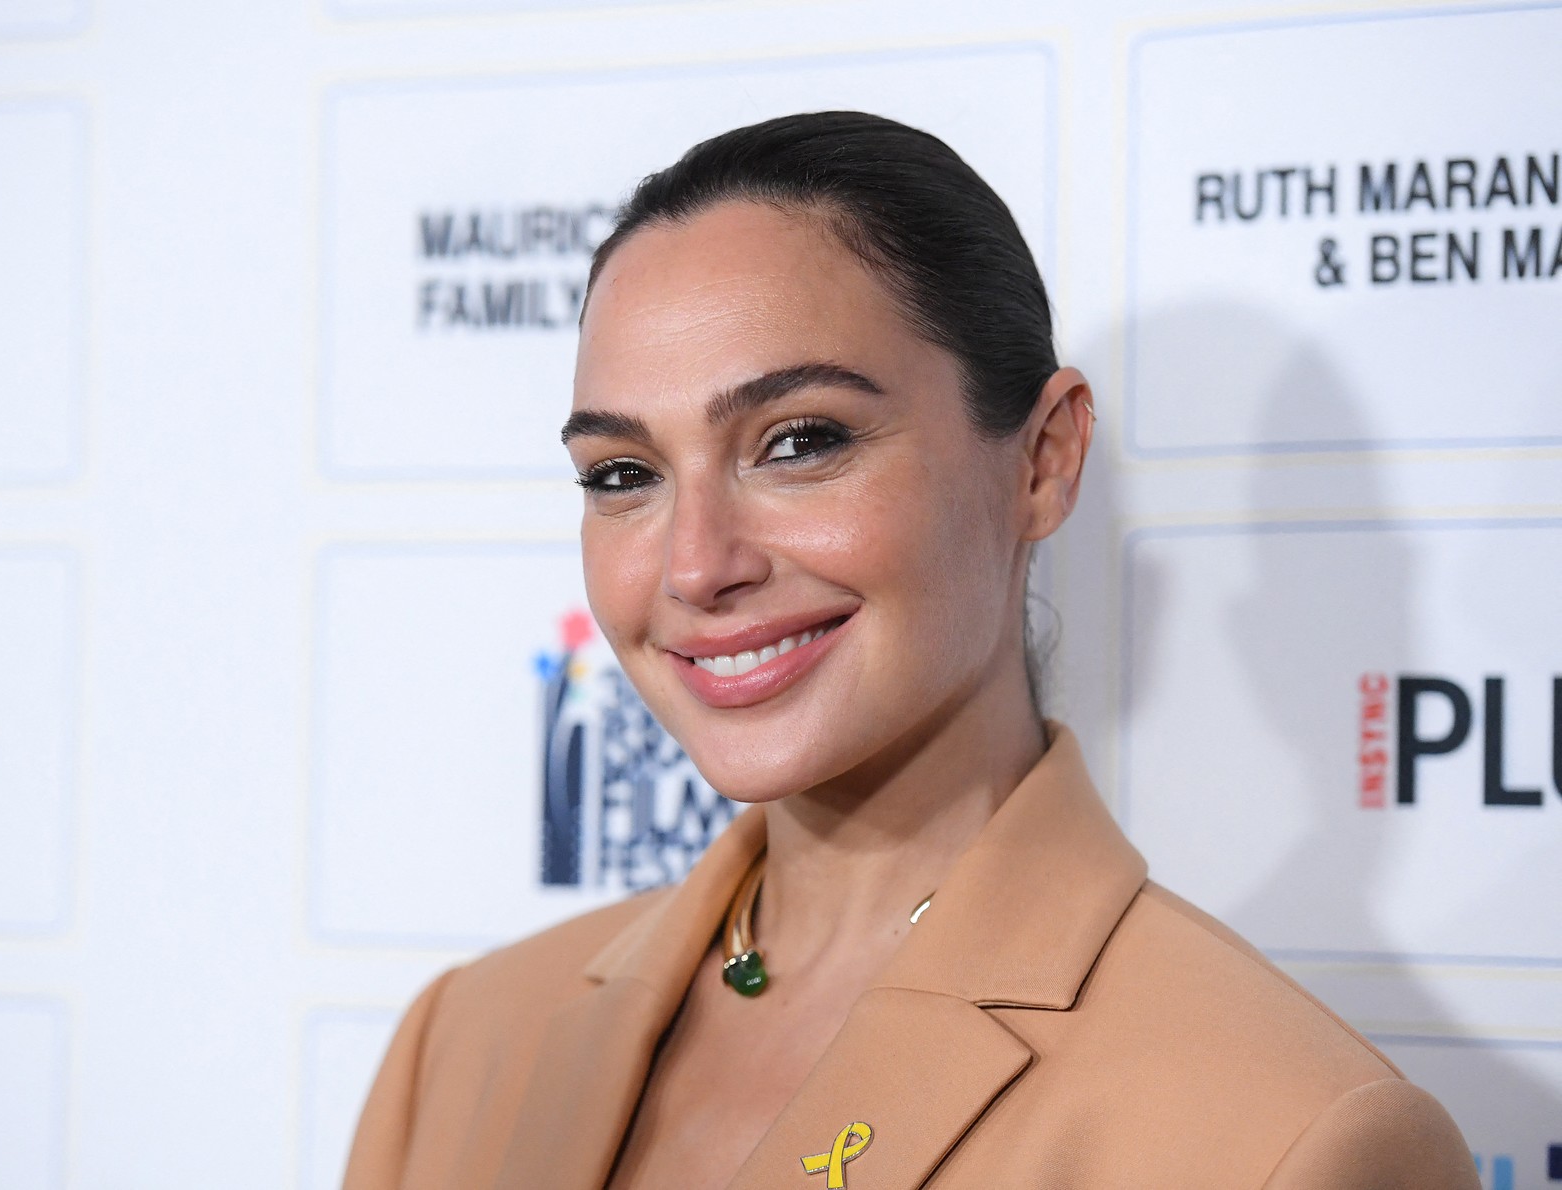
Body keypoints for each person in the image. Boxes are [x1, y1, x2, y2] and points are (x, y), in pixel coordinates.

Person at [342, 111, 1474, 1189]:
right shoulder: (462, 1044)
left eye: (800, 441)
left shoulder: (1291, 1135)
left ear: (1042, 460)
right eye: (622, 474)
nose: (695, 566)